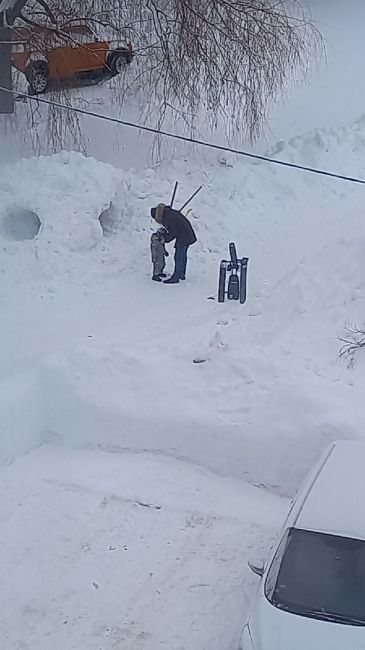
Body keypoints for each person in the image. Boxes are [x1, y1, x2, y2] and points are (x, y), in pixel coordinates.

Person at [150, 203, 197, 284]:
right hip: (187, 234)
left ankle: (176, 277)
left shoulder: (168, 218)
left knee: (178, 257)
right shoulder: (169, 213)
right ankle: (181, 274)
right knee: (182, 255)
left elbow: (173, 233)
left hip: (184, 236)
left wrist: (165, 239)